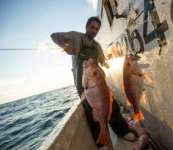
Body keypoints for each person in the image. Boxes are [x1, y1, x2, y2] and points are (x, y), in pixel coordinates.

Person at [51, 16, 135, 148]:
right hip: (84, 82)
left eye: (97, 29)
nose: (94, 31)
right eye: (92, 27)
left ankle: (122, 130)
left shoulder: (97, 45)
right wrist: (66, 47)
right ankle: (101, 141)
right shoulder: (76, 37)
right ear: (86, 26)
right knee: (91, 111)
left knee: (110, 105)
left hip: (99, 80)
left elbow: (101, 60)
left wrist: (105, 63)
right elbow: (54, 36)